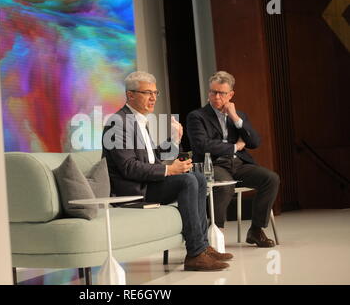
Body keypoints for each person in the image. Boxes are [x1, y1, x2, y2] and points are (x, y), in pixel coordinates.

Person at [102, 71, 233, 271]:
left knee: (197, 177)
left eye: (155, 93)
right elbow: (129, 167)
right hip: (132, 191)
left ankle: (203, 247)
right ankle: (195, 253)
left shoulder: (138, 120)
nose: (153, 98)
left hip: (147, 184)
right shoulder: (117, 123)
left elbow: (151, 157)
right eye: (147, 93)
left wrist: (172, 141)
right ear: (130, 95)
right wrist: (169, 170)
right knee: (187, 181)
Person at [186, 71, 280, 248]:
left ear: (230, 95)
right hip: (213, 164)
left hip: (239, 164)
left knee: (271, 178)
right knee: (225, 184)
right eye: (213, 92)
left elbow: (254, 142)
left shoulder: (239, 115)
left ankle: (256, 230)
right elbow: (202, 145)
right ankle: (216, 233)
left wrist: (236, 119)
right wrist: (235, 147)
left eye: (221, 93)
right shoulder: (197, 116)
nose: (216, 97)